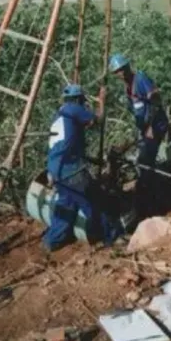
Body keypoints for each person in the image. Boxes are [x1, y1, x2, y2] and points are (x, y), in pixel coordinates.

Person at [43, 83, 122, 251]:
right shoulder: (73, 108)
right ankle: (112, 238)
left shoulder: (60, 116)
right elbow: (98, 120)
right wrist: (101, 101)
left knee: (66, 204)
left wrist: (91, 160)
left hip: (56, 170)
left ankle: (52, 241)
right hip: (71, 171)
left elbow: (68, 144)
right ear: (78, 99)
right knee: (96, 201)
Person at [108, 54, 169, 203]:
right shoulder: (127, 87)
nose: (121, 73)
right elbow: (136, 109)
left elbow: (155, 101)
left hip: (156, 125)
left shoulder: (140, 79)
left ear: (128, 67)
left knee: (145, 161)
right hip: (145, 128)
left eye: (123, 69)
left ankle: (157, 196)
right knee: (143, 159)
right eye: (117, 71)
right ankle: (152, 191)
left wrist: (149, 126)